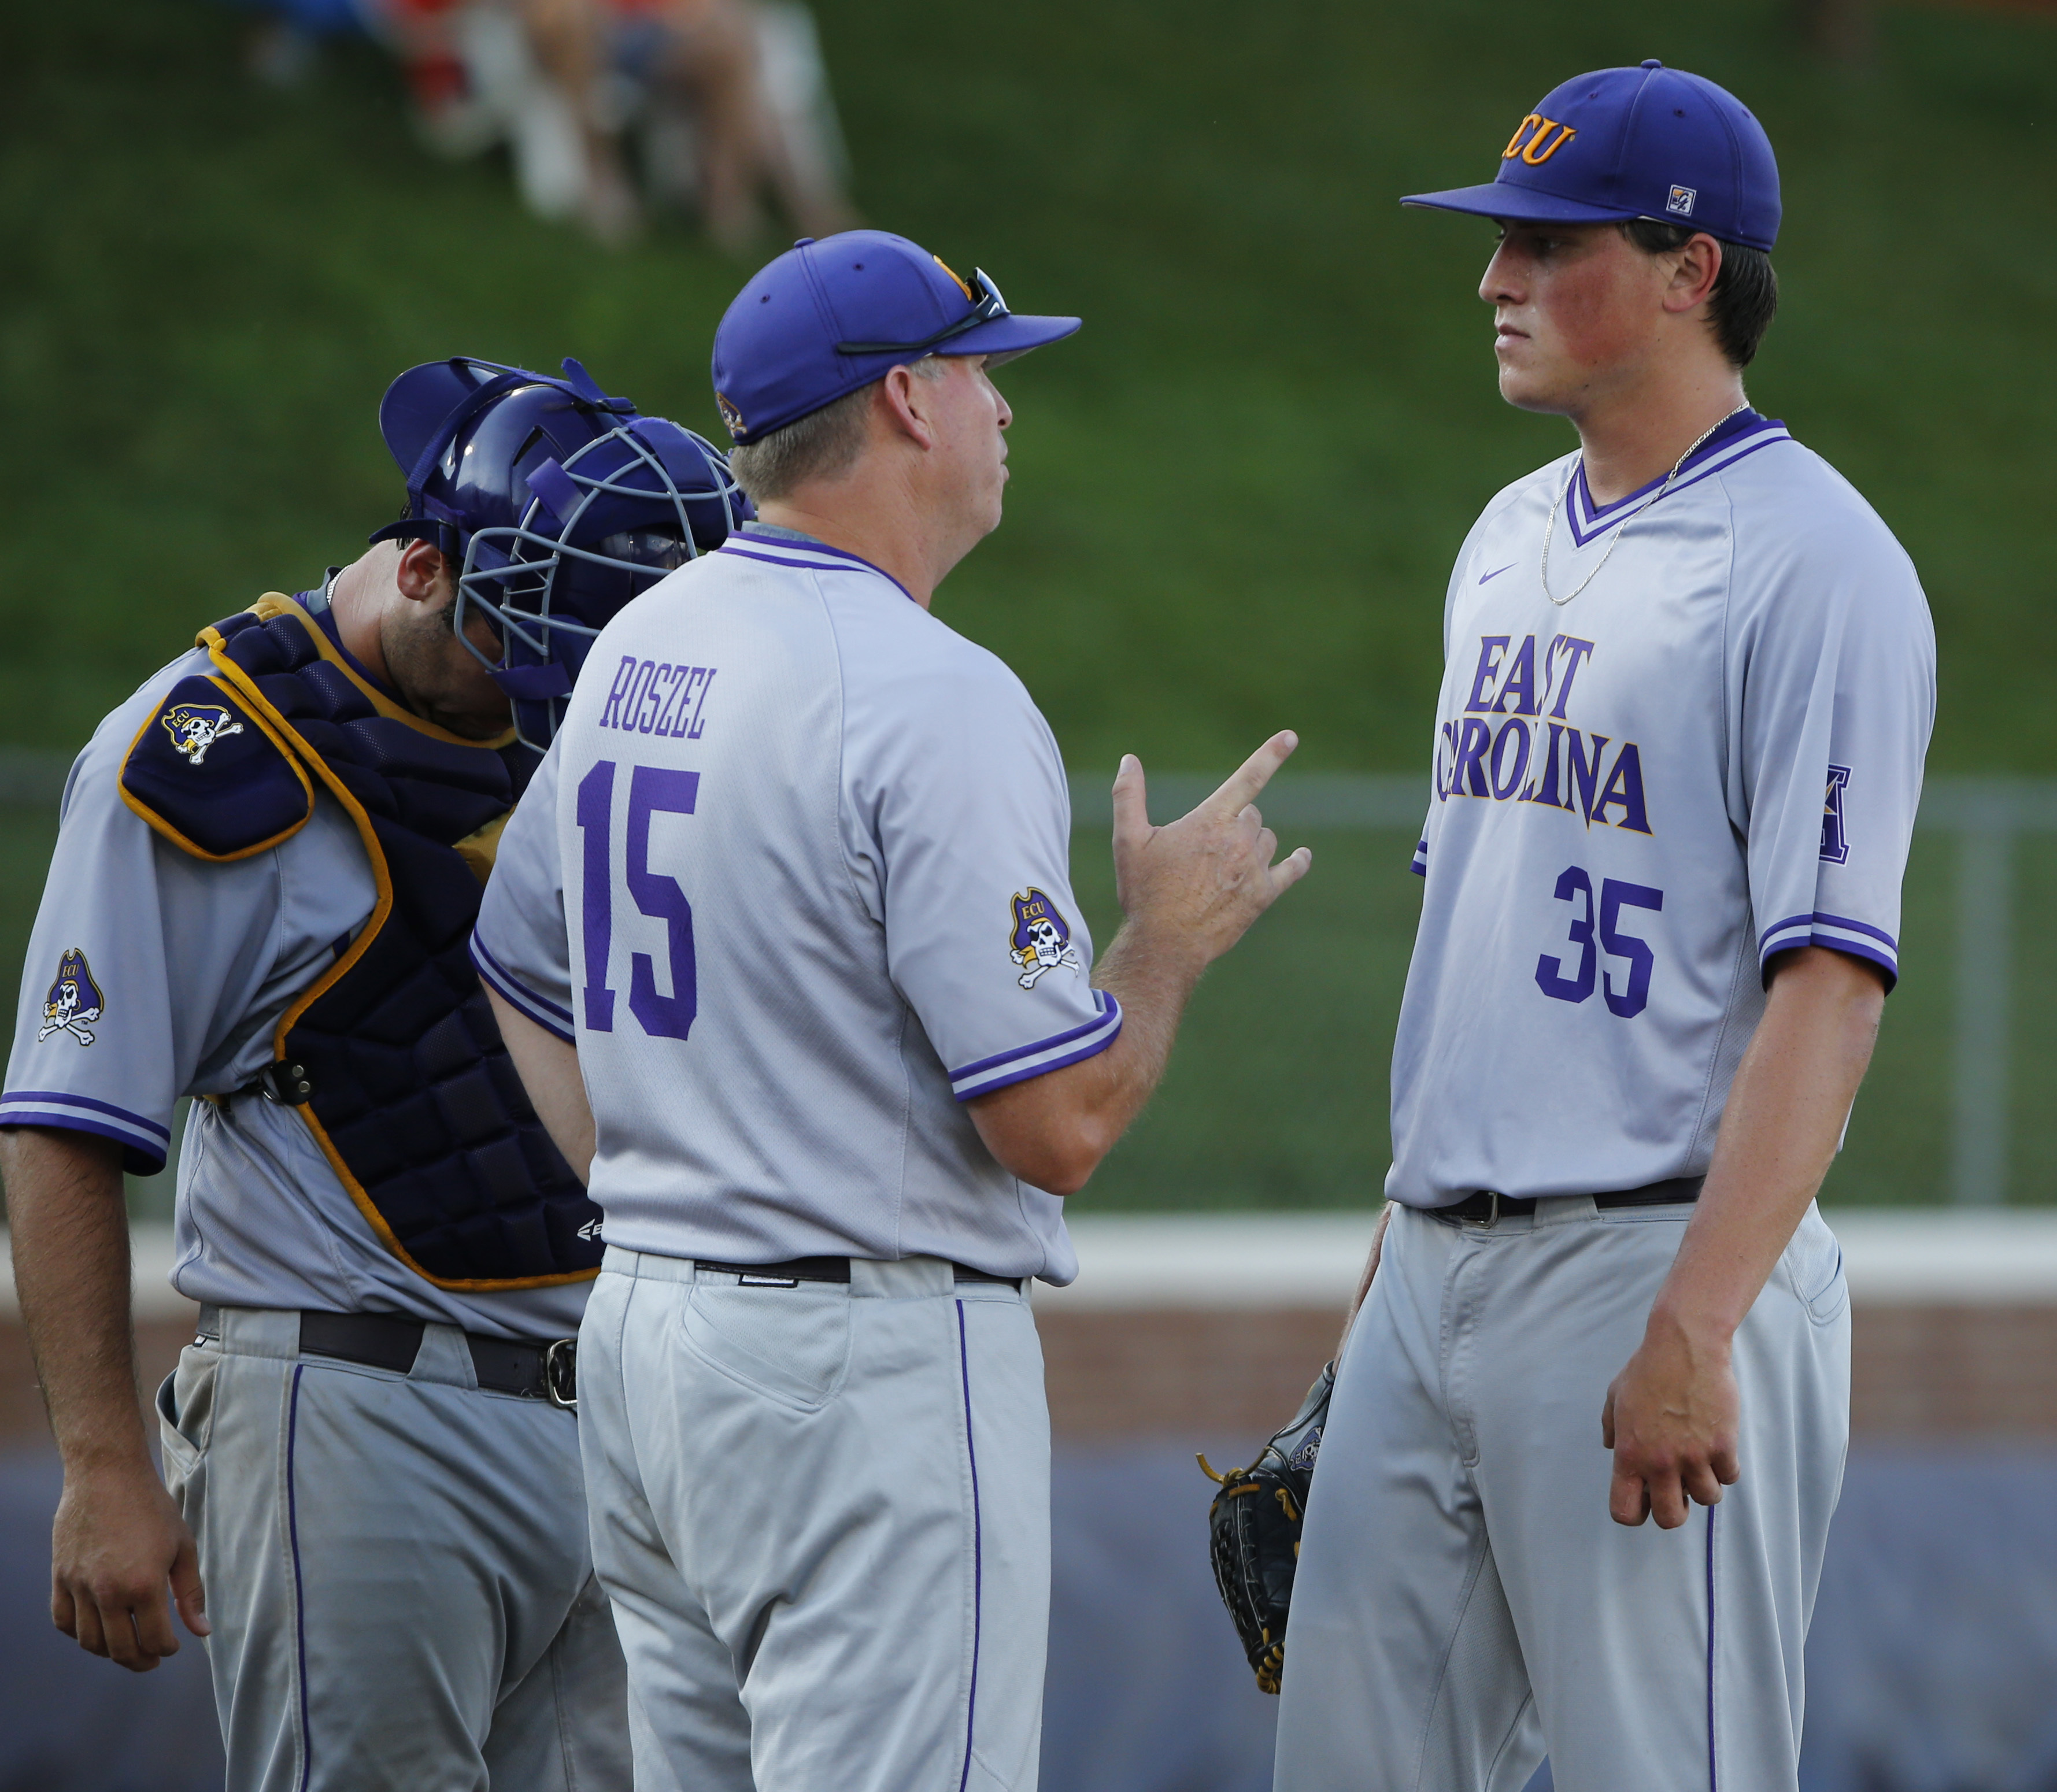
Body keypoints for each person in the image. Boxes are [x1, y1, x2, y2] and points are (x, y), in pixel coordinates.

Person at [470, 229, 1311, 1792]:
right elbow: (1052, 1123)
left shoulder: (644, 638)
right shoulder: (931, 690)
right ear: (910, 399)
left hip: (653, 1335)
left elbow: (518, 965)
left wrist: (658, 1182)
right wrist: (1164, 941)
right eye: (987, 370)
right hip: (852, 1375)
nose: (1007, 407)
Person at [1272, 63, 1934, 1792]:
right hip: (1435, 1266)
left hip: (1645, 1256)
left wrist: (1697, 1324)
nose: (1489, 279)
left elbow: (1827, 985)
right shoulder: (1497, 541)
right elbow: (1471, 971)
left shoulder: (1816, 562)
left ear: (1685, 269)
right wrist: (1374, 1308)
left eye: (1541, 243)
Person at [0, 354, 743, 1790]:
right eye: (530, 644)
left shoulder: (618, 733)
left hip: (623, 1418)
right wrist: (102, 1462)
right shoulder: (208, 752)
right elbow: (63, 1121)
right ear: (422, 567)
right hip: (359, 1411)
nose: (562, 693)